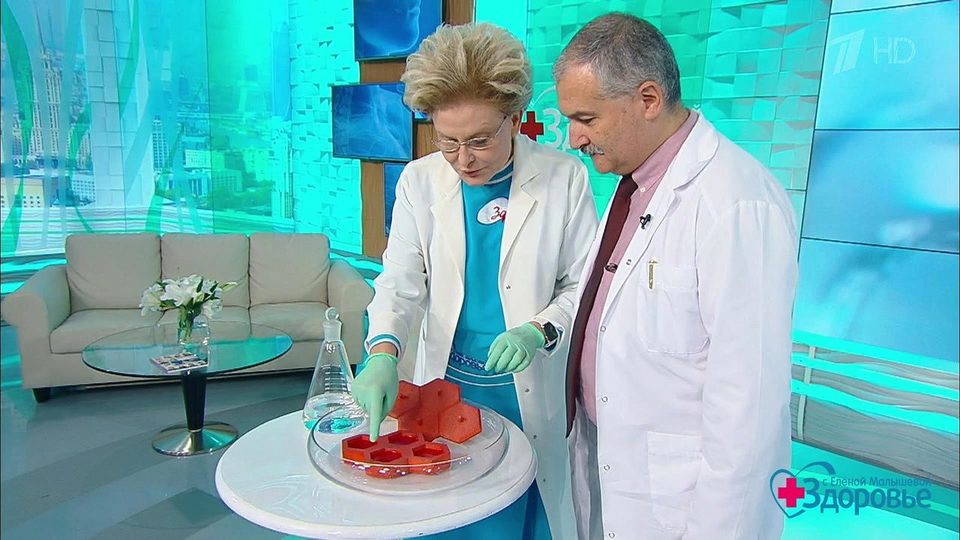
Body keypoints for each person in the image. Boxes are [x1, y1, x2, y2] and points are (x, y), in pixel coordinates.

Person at [553, 13, 798, 540]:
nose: (574, 139)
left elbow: (749, 412)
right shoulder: (634, 186)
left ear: (648, 99)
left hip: (681, 501)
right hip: (612, 462)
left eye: (586, 119)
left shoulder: (736, 202)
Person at [351, 23, 598, 540]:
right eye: (448, 141)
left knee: (520, 512)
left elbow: (582, 286)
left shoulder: (564, 177)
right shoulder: (420, 181)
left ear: (515, 119)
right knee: (445, 510)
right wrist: (382, 351)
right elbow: (400, 280)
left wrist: (538, 330)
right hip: (445, 383)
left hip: (525, 382)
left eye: (480, 141)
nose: (464, 159)